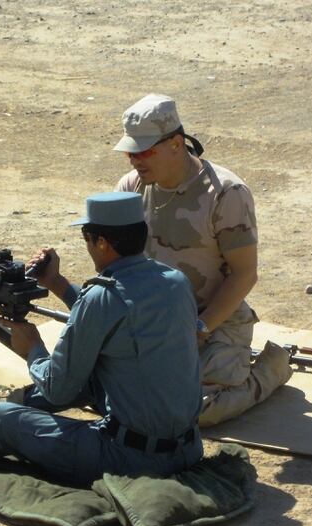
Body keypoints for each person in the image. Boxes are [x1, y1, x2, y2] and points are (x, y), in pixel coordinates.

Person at [0, 192, 203, 487]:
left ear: (103, 243)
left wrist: (33, 350)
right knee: (88, 375)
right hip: (186, 449)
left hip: (129, 459)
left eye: (88, 239)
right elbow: (119, 319)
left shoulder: (102, 297)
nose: (87, 247)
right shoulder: (173, 281)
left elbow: (59, 387)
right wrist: (57, 283)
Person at [112, 93, 292, 426]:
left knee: (194, 410)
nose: (136, 161)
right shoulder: (131, 188)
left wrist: (200, 327)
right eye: (130, 152)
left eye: (145, 151)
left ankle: (271, 370)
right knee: (118, 395)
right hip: (155, 318)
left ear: (177, 144)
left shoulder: (226, 193)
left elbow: (244, 275)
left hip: (215, 319)